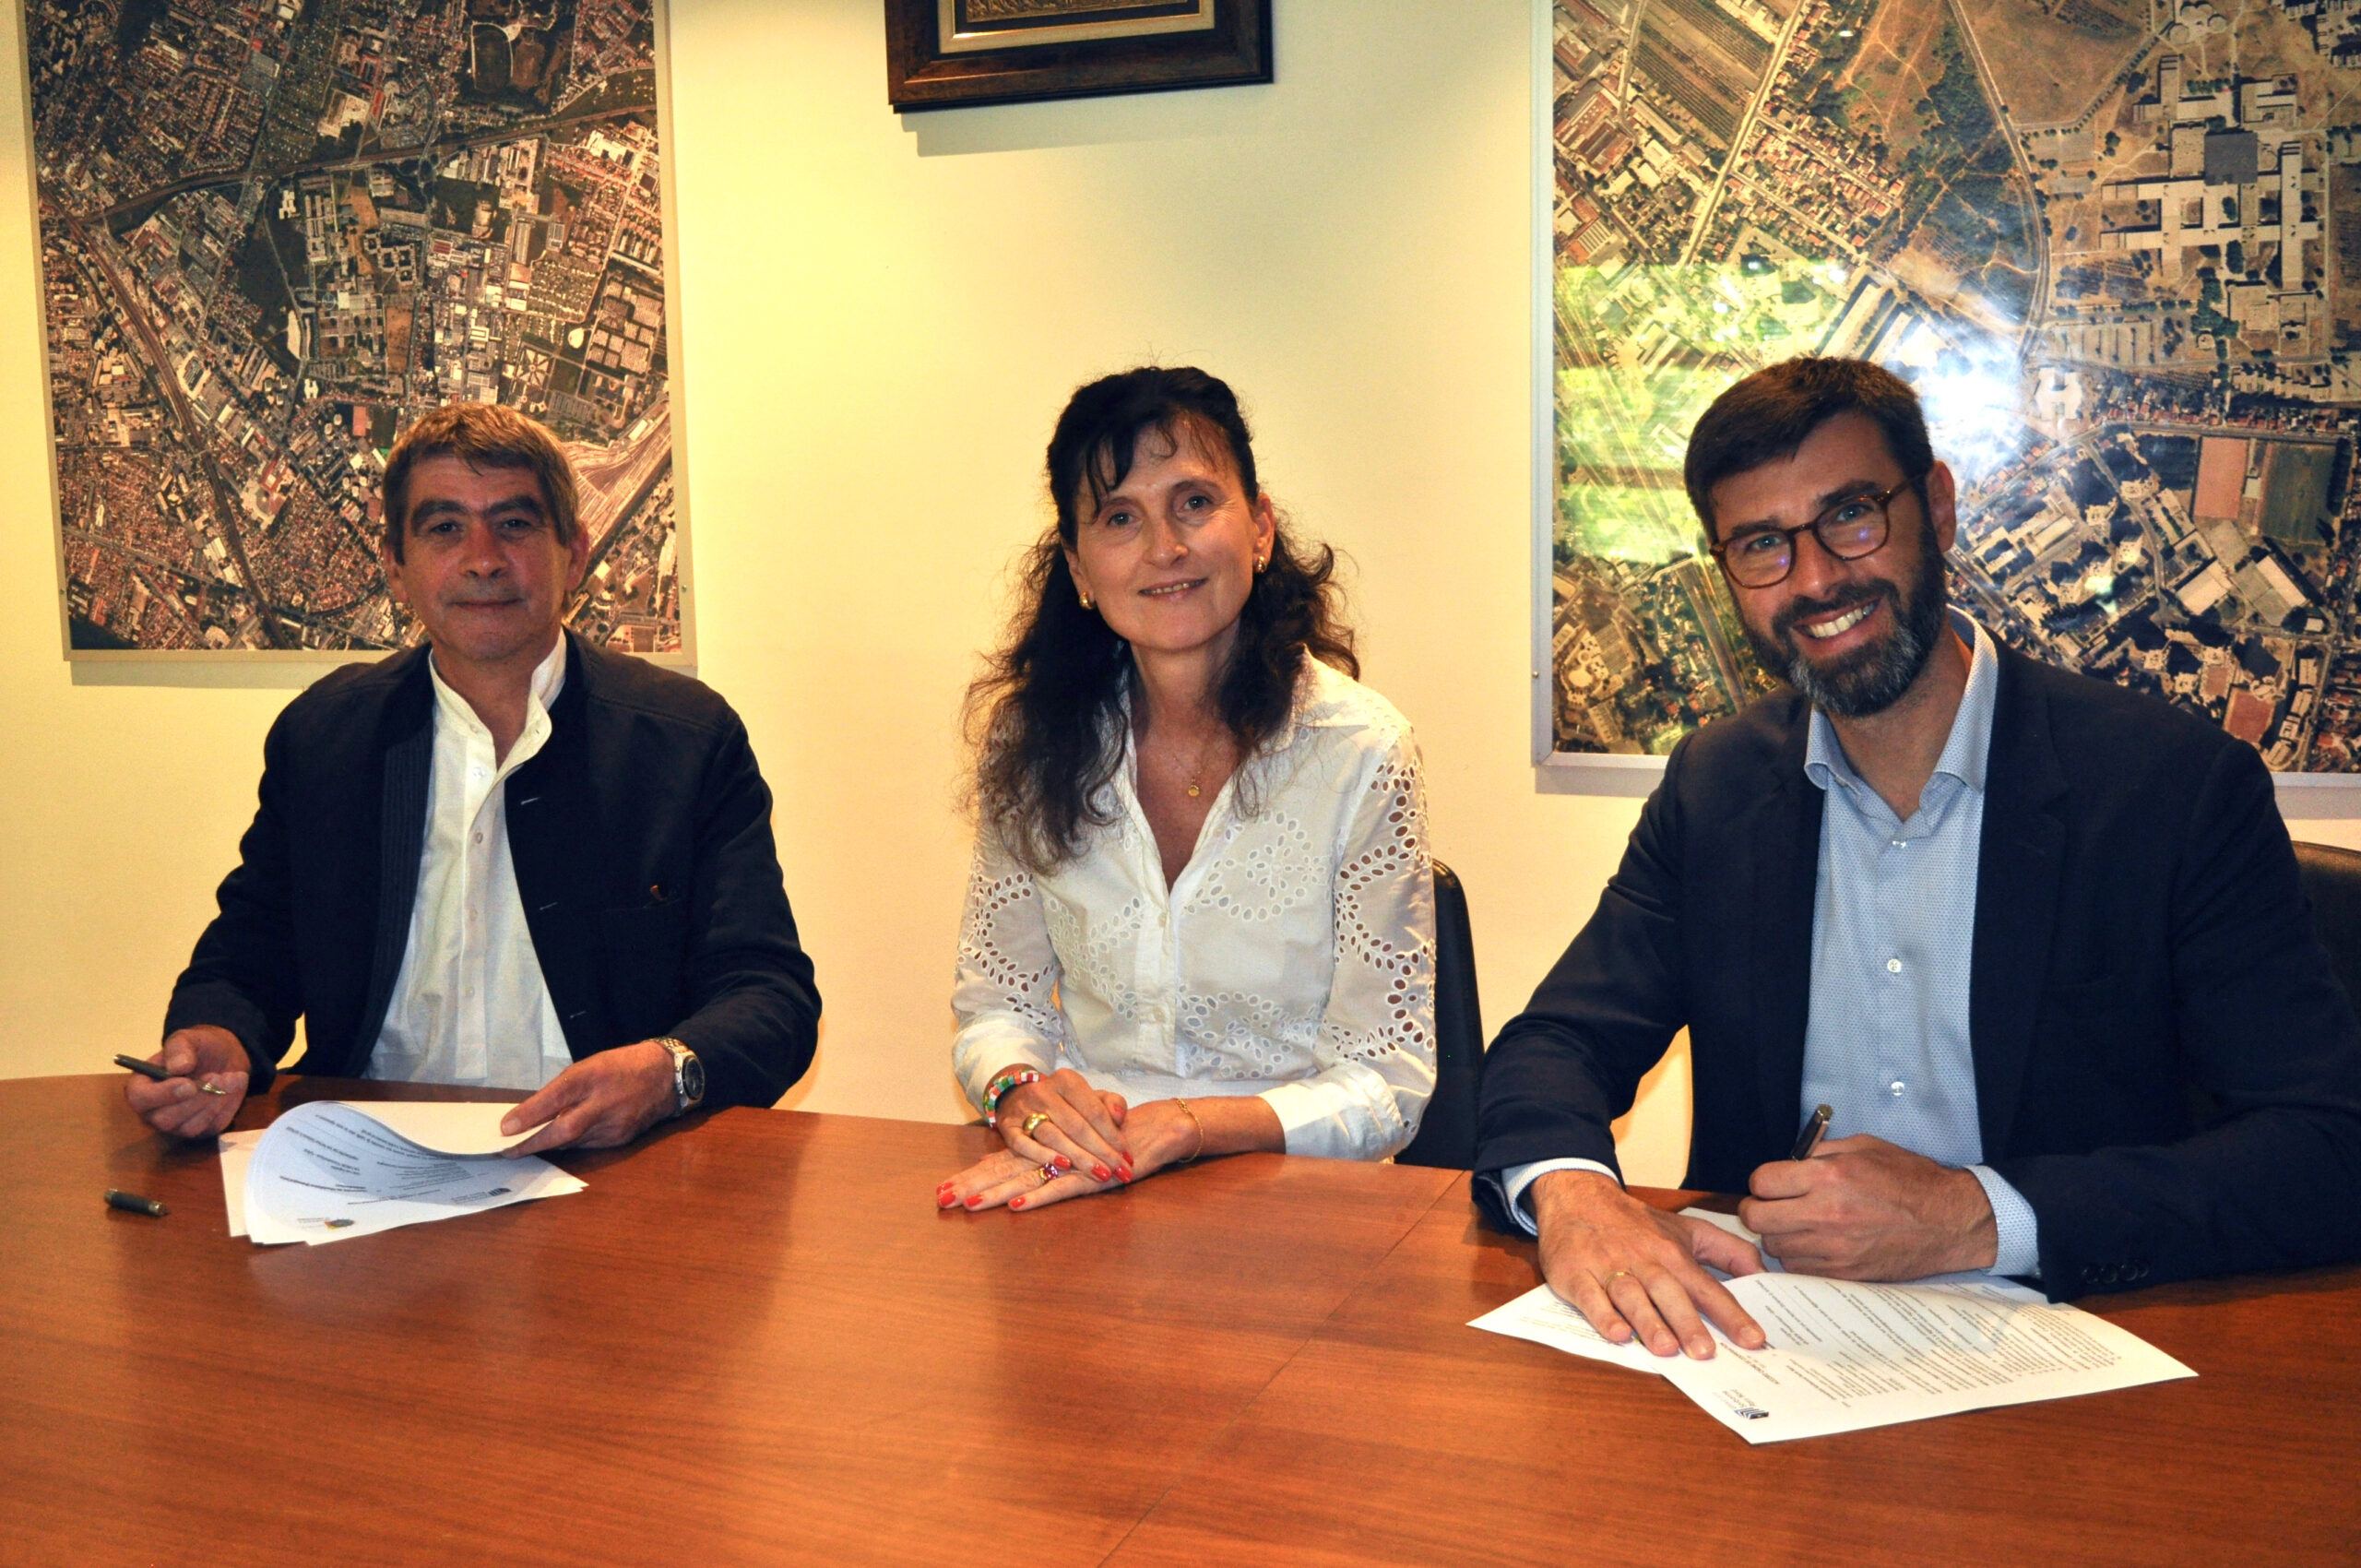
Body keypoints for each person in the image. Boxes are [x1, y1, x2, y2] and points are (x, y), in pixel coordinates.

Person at [1477, 356, 2361, 1360]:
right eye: (1763, 545)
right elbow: (1553, 1044)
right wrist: (1576, 1193)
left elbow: (2325, 1148)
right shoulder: (1716, 786)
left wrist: (1977, 1214)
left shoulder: (2171, 789)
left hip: (2081, 1355)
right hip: (1773, 1349)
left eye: (1851, 516)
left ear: (1936, 507)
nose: (1814, 580)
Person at [129, 404, 820, 1155]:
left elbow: (769, 995)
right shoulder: (326, 736)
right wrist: (216, 1036)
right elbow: (250, 953)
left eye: (516, 525)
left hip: (608, 1165)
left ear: (575, 553)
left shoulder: (687, 741)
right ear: (396, 565)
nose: (483, 559)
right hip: (366, 1164)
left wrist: (667, 1072)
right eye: (445, 528)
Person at [940, 366, 1435, 1214]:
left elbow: (1389, 1082)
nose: (1164, 548)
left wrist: (1195, 1125)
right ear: (1080, 568)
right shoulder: (1033, 743)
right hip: (1084, 1181)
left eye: (1195, 503)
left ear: (1261, 528)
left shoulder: (1358, 750)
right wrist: (1018, 1092)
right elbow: (996, 1004)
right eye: (1120, 518)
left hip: (1295, 1203)